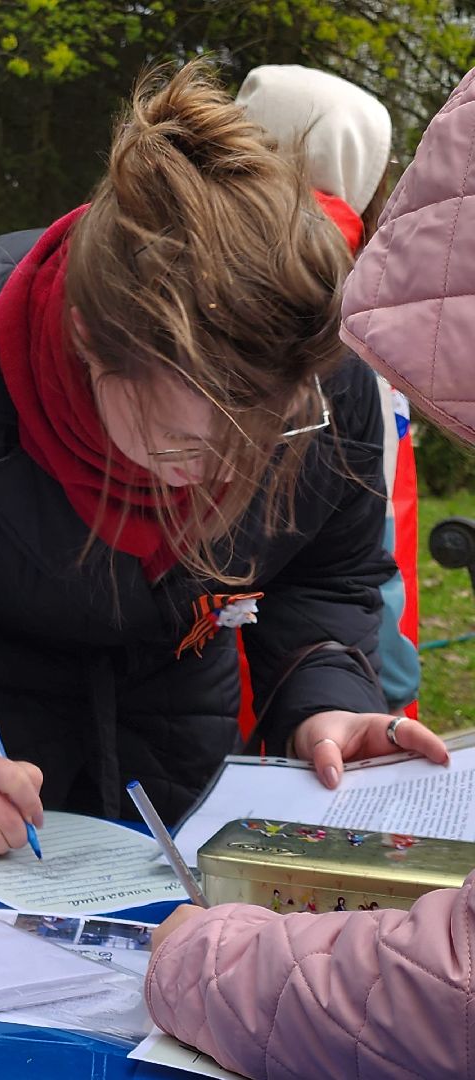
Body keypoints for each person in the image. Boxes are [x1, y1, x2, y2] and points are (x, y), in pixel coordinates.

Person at [0, 57, 449, 868]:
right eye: (188, 444)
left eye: (270, 434)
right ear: (89, 352)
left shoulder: (319, 364)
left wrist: (328, 706)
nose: (225, 477)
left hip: (177, 760)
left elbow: (324, 573)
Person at [143, 63, 475, 1080]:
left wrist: (209, 964)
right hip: (357, 645)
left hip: (261, 673)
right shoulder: (386, 286)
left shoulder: (346, 295)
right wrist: (337, 682)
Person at [237, 63, 421, 717]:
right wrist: (382, 698)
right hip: (321, 669)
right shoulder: (362, 304)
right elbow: (371, 555)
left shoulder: (176, 261)